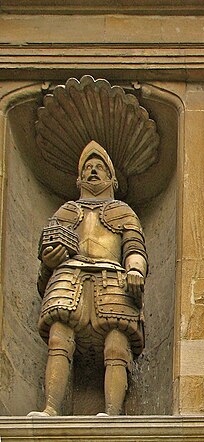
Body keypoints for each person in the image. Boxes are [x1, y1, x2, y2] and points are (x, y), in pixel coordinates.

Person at [28, 141, 148, 416]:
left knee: (117, 343)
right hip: (69, 278)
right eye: (88, 168)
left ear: (112, 178)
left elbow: (134, 248)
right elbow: (45, 265)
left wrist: (135, 270)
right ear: (79, 178)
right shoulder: (66, 212)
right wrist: (50, 260)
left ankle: (112, 411)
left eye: (100, 168)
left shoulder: (123, 212)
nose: (93, 172)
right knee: (59, 337)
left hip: (112, 281)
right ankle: (51, 409)